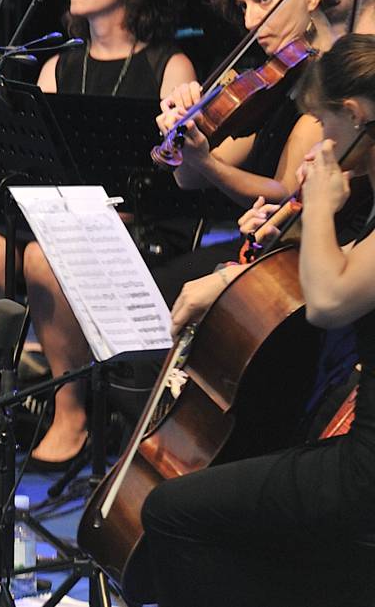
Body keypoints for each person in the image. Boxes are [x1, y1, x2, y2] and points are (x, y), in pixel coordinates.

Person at [140, 35, 375, 606]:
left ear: (354, 114)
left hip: (366, 468)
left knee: (169, 512)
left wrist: (316, 205)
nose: (323, 141)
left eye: (324, 125)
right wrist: (295, 233)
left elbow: (329, 301)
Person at [0, 0, 195, 469]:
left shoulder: (169, 65)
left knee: (41, 257)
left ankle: (73, 416)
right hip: (65, 217)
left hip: (135, 226)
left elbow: (169, 176)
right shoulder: (59, 65)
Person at [162, 0, 343, 212]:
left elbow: (286, 193)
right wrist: (184, 134)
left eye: (263, 0)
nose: (250, 21)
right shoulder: (277, 79)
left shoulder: (335, 78)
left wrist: (203, 161)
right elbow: (189, 179)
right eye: (243, 6)